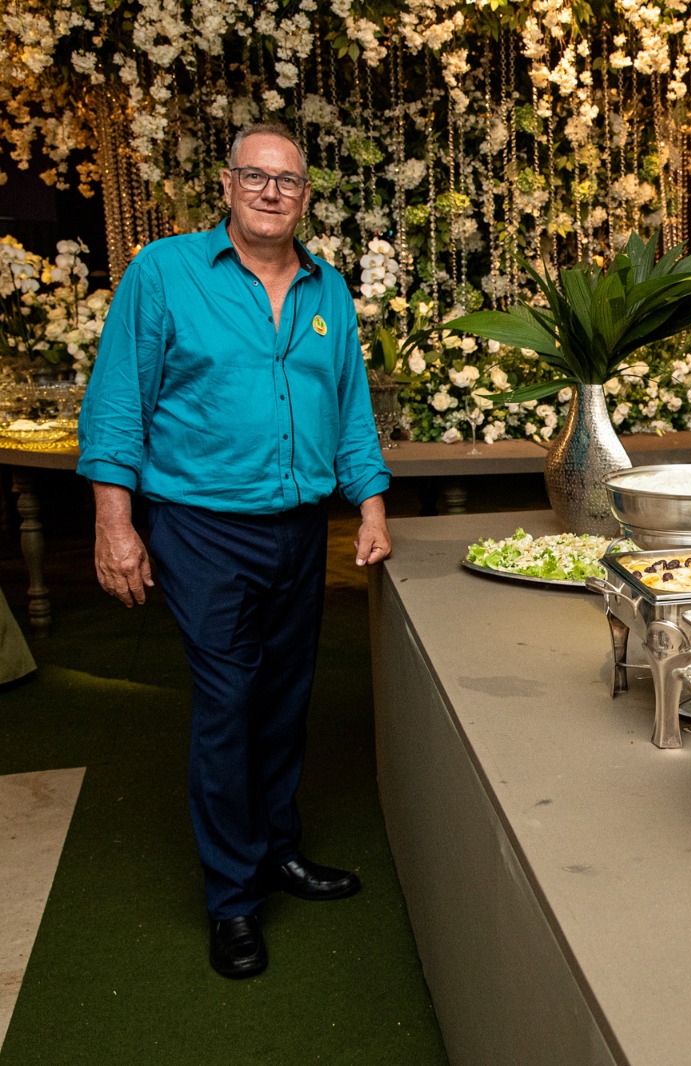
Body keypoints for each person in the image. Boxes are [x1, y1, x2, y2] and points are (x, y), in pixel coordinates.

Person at [77, 122, 392, 980]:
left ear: (306, 197)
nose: (270, 192)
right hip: (200, 529)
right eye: (254, 176)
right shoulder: (164, 272)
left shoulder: (327, 289)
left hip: (300, 531)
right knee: (228, 700)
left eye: (287, 181)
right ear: (226, 185)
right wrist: (114, 524)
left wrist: (369, 505)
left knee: (285, 699)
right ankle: (233, 899)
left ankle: (278, 849)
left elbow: (351, 409)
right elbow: (117, 403)